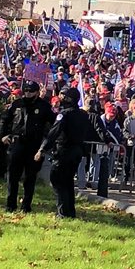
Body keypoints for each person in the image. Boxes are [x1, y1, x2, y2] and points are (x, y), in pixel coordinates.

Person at [39, 86, 98, 219]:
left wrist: (42, 148)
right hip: (77, 151)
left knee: (58, 181)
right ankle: (70, 211)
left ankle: (62, 213)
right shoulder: (83, 114)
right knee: (68, 182)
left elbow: (54, 133)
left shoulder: (64, 114)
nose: (60, 99)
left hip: (64, 151)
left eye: (62, 96)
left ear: (68, 99)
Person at [0, 80, 55, 213]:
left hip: (34, 145)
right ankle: (10, 205)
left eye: (31, 91)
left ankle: (26, 206)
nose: (28, 94)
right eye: (26, 91)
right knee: (13, 176)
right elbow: (4, 119)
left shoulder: (44, 106)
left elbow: (54, 125)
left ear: (36, 92)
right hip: (17, 143)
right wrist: (3, 135)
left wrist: (46, 143)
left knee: (30, 177)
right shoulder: (17, 104)